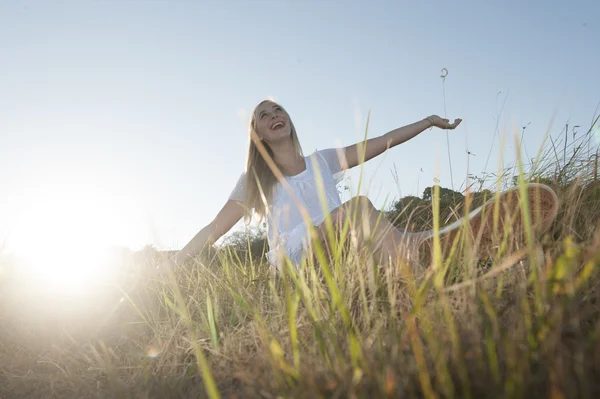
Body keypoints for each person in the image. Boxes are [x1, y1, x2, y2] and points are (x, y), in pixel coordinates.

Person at [169, 99, 462, 271]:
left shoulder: (323, 161)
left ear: (289, 121)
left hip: (339, 244)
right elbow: (213, 229)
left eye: (278, 111)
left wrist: (427, 122)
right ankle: (419, 275)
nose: (274, 116)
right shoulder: (254, 181)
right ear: (257, 134)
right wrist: (174, 265)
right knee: (359, 207)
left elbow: (383, 142)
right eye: (264, 115)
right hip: (295, 258)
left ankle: (415, 252)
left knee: (387, 236)